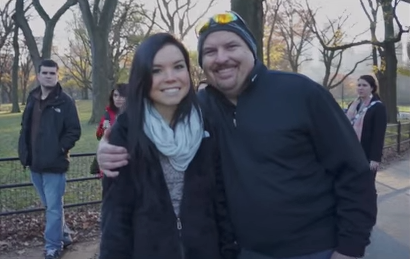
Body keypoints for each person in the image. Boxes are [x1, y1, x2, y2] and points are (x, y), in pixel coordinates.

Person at [97, 12, 377, 259]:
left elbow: (353, 171)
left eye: (231, 46)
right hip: (244, 251)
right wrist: (104, 148)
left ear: (252, 51)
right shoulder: (201, 111)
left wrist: (351, 247)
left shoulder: (301, 94)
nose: (221, 58)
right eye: (210, 51)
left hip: (314, 250)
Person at [99, 32, 238, 259]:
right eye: (157, 70)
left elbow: (220, 204)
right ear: (142, 77)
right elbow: (116, 215)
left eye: (178, 67)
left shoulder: (206, 122)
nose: (170, 77)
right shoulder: (127, 130)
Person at [18, 59, 81, 259]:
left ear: (57, 75)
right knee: (50, 207)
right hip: (34, 164)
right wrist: (24, 152)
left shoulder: (65, 101)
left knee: (54, 208)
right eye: (44, 73)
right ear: (38, 75)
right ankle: (65, 235)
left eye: (52, 73)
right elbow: (25, 127)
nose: (48, 76)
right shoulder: (32, 98)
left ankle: (53, 247)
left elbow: (74, 131)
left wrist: (59, 148)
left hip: (55, 164)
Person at [346, 75, 387, 177]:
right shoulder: (353, 105)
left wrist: (375, 158)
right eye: (359, 85)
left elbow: (379, 135)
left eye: (364, 85)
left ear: (372, 88)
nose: (360, 88)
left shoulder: (378, 107)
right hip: (351, 152)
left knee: (366, 187)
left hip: (367, 154)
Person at [90, 83, 127, 178]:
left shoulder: (134, 115)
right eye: (115, 95)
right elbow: (99, 136)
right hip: (109, 159)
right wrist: (101, 131)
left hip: (126, 159)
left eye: (122, 95)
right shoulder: (107, 115)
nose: (118, 98)